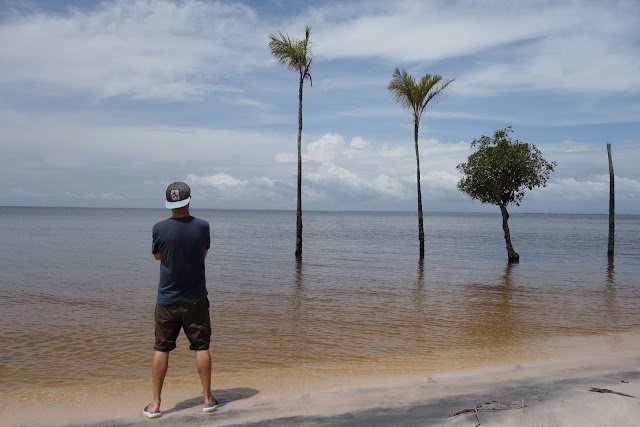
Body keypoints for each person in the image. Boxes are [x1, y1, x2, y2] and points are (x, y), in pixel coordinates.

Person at [143, 182, 218, 419]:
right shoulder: (202, 227)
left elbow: (157, 256)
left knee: (161, 348)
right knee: (202, 346)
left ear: (170, 203)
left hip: (166, 299)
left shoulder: (159, 228)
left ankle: (155, 405)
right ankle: (207, 400)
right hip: (196, 299)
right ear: (189, 200)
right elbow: (203, 252)